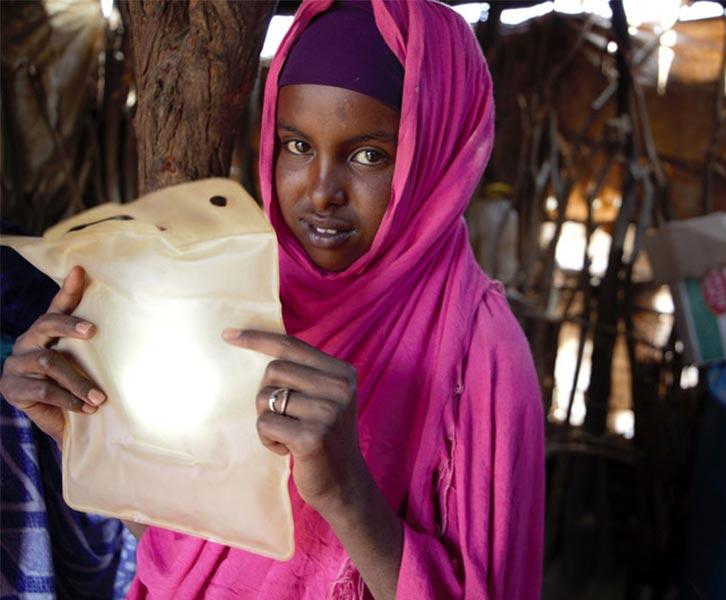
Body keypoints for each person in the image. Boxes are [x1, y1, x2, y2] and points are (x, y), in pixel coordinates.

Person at [0, 1, 545, 598]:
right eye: (296, 145)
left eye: (370, 155)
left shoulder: (481, 356)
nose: (321, 190)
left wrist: (346, 495)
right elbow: (189, 549)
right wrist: (77, 432)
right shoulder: (235, 296)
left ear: (437, 153)